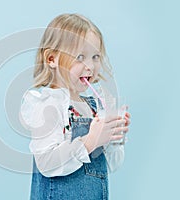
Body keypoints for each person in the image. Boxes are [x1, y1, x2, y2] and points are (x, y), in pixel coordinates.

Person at [19, 13, 131, 200]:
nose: (90, 66)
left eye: (95, 56)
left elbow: (113, 164)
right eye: (80, 57)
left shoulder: (94, 106)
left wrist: (114, 136)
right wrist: (89, 141)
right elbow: (46, 163)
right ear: (52, 59)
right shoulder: (48, 105)